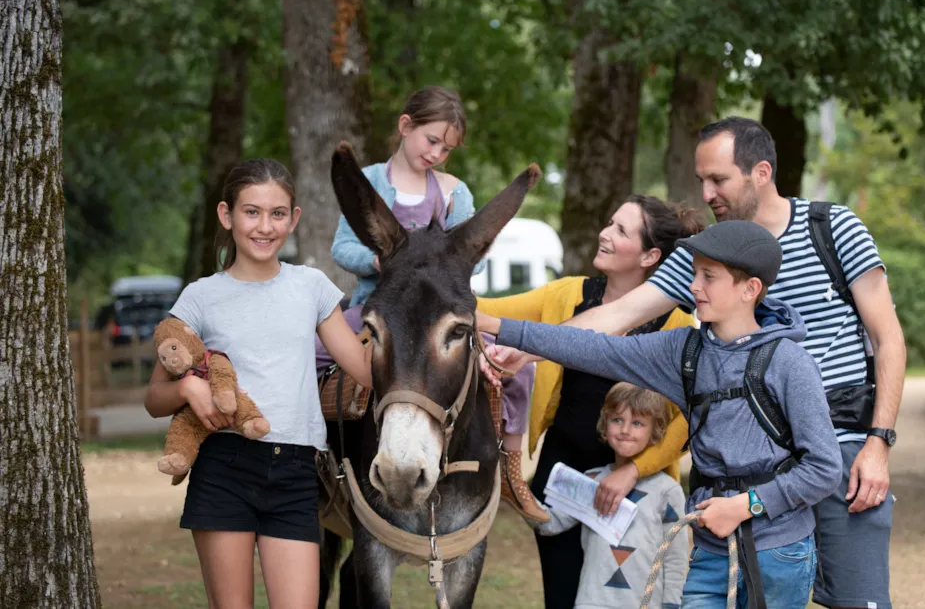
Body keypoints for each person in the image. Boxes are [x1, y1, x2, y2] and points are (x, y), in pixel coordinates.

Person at [486, 117, 906, 609]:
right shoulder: (702, 255)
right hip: (739, 468)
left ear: (761, 172)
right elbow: (618, 318)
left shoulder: (834, 228)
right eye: (702, 179)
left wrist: (879, 443)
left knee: (855, 601)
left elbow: (888, 338)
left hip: (836, 448)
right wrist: (525, 346)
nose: (706, 193)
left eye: (719, 179)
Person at [494, 220, 843, 608]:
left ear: (750, 289)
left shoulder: (790, 363)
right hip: (710, 551)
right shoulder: (684, 352)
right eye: (695, 273)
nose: (694, 286)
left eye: (709, 276)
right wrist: (495, 328)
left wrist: (745, 506)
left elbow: (825, 468)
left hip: (778, 553)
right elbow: (592, 348)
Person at [145, 157, 371, 609]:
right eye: (252, 212)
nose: (264, 226)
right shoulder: (201, 297)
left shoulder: (312, 287)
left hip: (295, 472)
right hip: (223, 466)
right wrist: (189, 389)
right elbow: (154, 398)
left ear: (294, 218)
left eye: (277, 213)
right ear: (227, 215)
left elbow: (366, 371)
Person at [326, 85, 549, 522]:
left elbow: (472, 260)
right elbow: (341, 248)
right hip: (379, 306)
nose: (437, 154)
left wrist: (445, 265)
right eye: (432, 141)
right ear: (405, 126)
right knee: (313, 353)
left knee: (517, 370)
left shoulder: (453, 192)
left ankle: (511, 469)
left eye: (446, 149)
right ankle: (313, 457)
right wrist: (378, 259)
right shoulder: (371, 180)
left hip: (439, 313)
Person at [477, 196, 702, 609]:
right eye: (609, 222)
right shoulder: (566, 295)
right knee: (562, 599)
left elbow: (686, 424)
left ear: (651, 255)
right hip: (560, 480)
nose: (605, 233)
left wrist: (632, 471)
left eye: (621, 230)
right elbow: (485, 312)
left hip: (634, 491)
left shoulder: (678, 326)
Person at [533, 382, 688, 609]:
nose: (625, 430)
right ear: (604, 425)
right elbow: (550, 524)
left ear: (656, 432)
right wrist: (517, 494)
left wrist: (672, 604)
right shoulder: (591, 480)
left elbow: (675, 556)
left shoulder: (668, 491)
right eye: (617, 420)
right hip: (592, 602)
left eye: (637, 423)